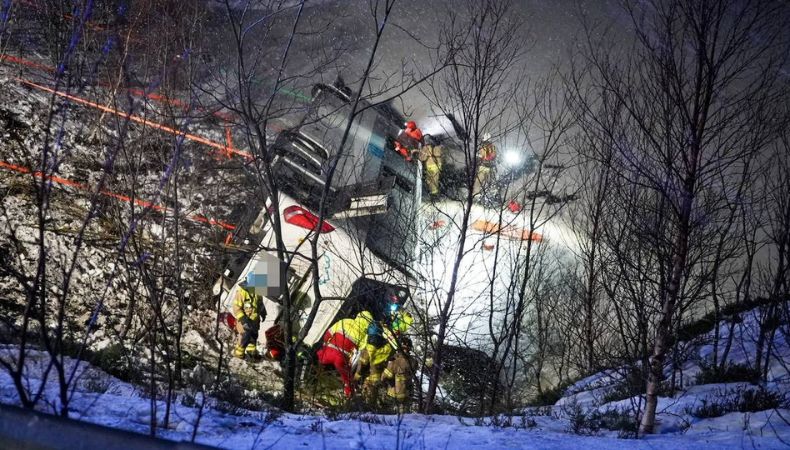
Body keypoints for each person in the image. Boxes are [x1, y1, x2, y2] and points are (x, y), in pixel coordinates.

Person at [316, 311, 374, 397]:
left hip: (327, 352)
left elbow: (328, 333)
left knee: (317, 360)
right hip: (341, 358)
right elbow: (361, 351)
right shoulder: (364, 334)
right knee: (347, 378)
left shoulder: (346, 321)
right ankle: (349, 395)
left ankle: (311, 378)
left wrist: (325, 345)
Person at [353, 322, 393, 404]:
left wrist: (355, 378)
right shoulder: (388, 346)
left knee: (368, 402)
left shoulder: (369, 349)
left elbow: (362, 365)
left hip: (371, 380)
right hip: (383, 380)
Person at [232, 275, 266, 359]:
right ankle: (239, 354)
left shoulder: (257, 292)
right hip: (244, 320)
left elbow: (260, 304)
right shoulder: (241, 292)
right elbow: (236, 307)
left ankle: (252, 353)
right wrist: (243, 319)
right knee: (245, 336)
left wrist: (263, 312)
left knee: (253, 337)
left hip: (254, 321)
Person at [382, 336, 416, 410]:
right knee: (406, 416)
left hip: (394, 395)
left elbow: (384, 377)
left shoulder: (394, 361)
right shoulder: (413, 361)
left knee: (392, 417)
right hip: (407, 394)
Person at [473, 133, 497, 198]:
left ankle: (490, 194)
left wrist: (482, 157)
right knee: (479, 181)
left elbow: (492, 156)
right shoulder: (482, 147)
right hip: (483, 166)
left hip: (488, 167)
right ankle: (477, 194)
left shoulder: (491, 147)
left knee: (489, 181)